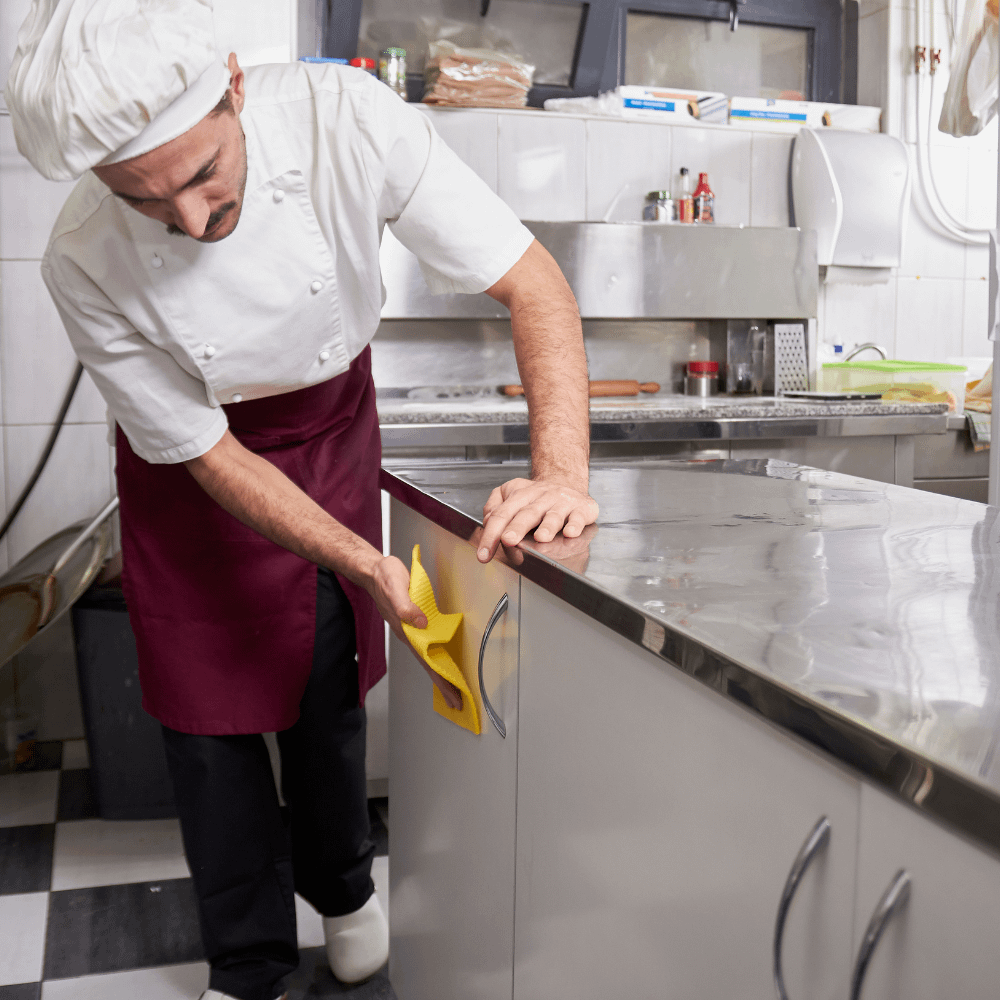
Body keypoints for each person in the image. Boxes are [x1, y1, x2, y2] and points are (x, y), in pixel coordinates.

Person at [5, 2, 597, 999]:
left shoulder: (345, 120)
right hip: (193, 476)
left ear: (235, 87)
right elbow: (207, 454)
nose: (193, 221)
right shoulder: (80, 257)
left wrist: (561, 472)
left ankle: (345, 892)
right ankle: (245, 960)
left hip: (326, 434)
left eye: (203, 173)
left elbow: (532, 283)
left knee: (327, 691)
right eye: (146, 200)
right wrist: (364, 558)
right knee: (205, 732)